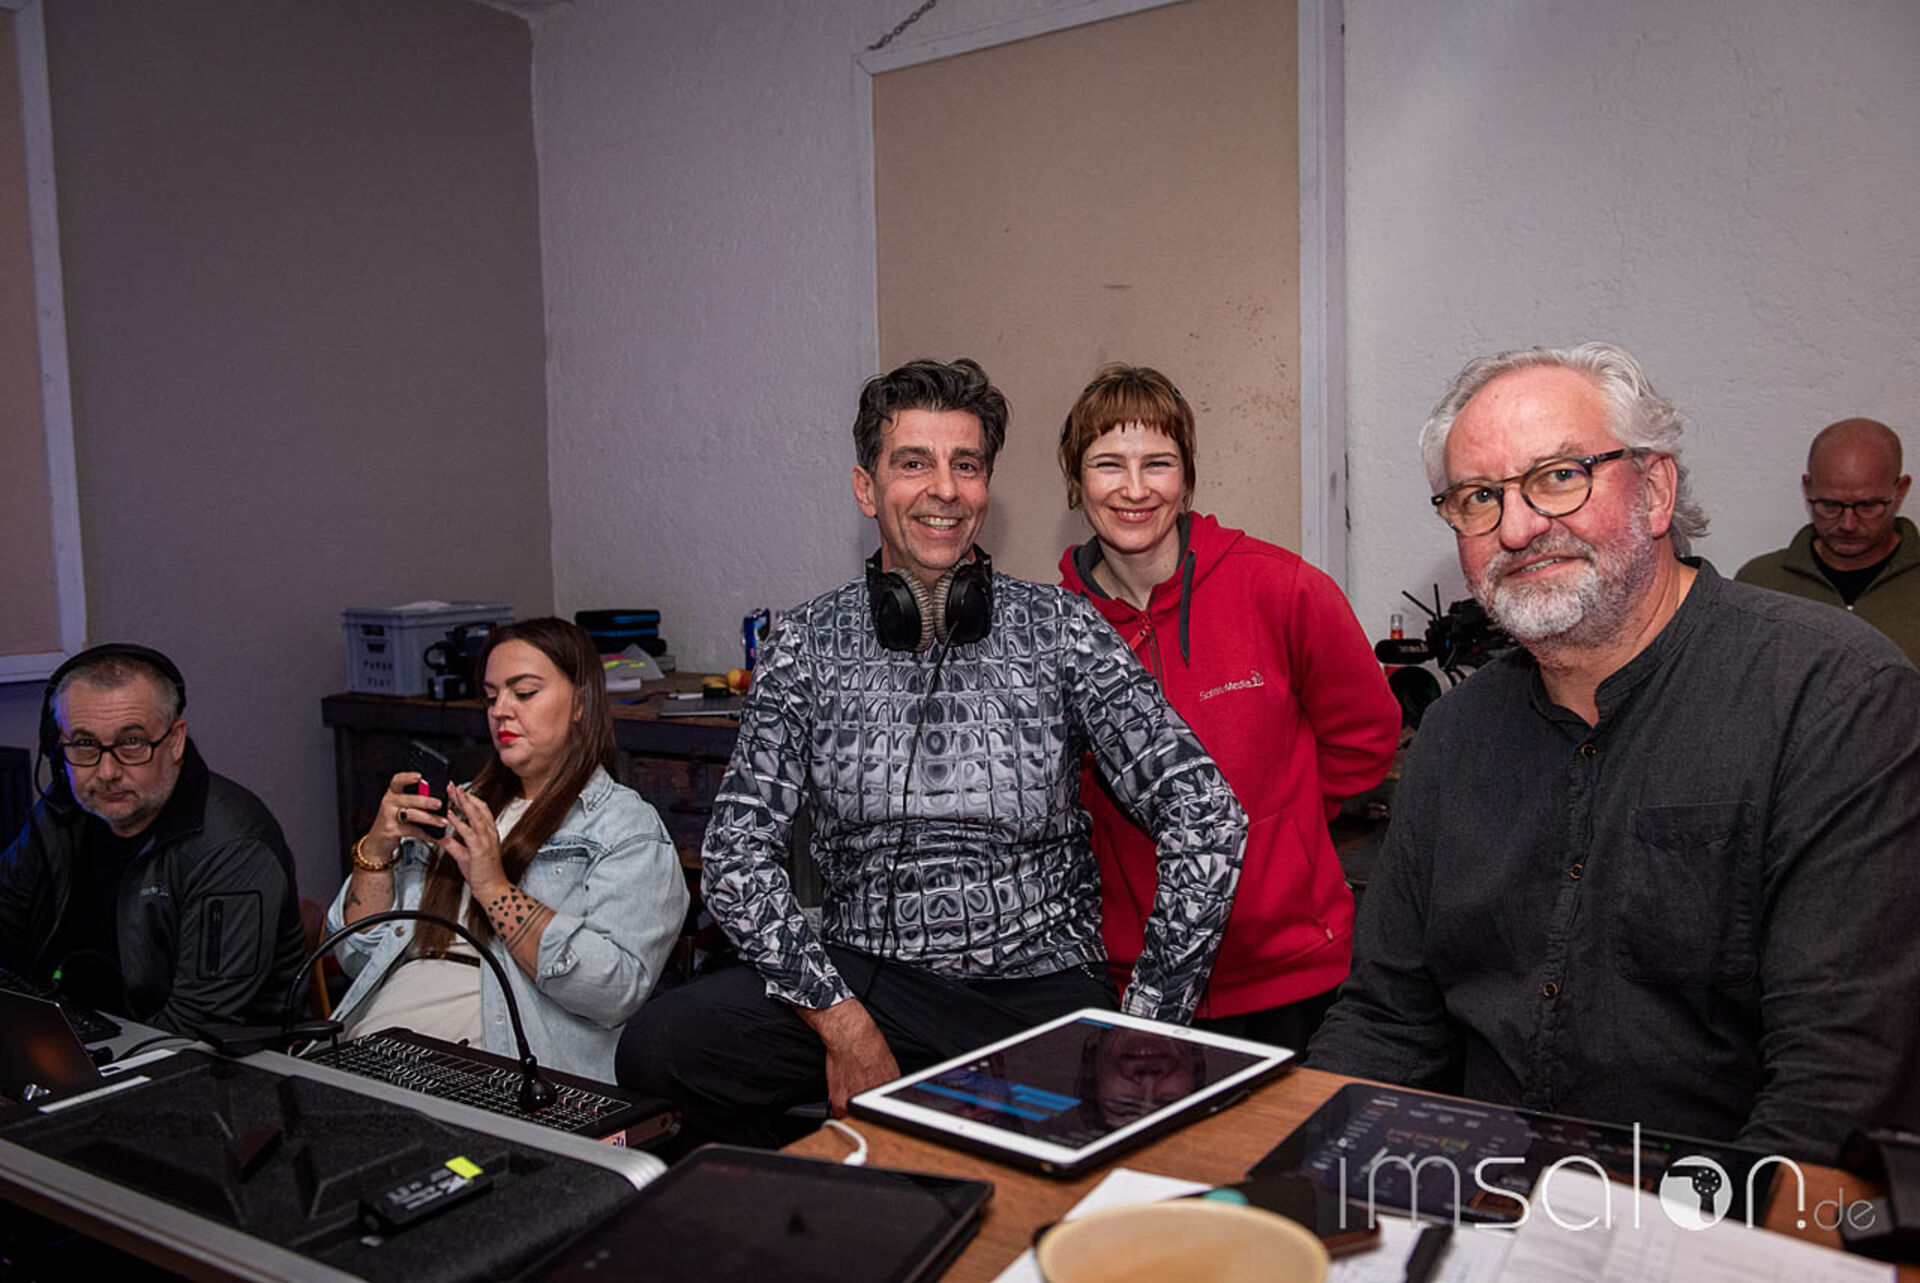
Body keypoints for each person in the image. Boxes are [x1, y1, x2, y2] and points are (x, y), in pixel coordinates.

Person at [1306, 342, 1920, 1163]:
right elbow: (1387, 1019)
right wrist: (1297, 1178)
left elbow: (1836, 1081)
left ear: (1656, 489)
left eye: (1560, 475)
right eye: (1479, 496)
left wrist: (1691, 1228)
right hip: (1478, 1193)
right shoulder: (1454, 735)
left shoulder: (1832, 694)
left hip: (1715, 1204)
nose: (1518, 527)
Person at [617, 358, 1247, 1147]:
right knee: (662, 1048)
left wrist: (1148, 1025)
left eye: (967, 465)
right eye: (914, 462)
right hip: (863, 978)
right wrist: (842, 1023)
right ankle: (819, 1198)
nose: (944, 489)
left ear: (986, 487)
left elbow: (1207, 814)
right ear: (866, 487)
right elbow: (736, 857)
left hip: (1036, 985)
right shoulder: (806, 643)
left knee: (1048, 1162)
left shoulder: (1060, 629)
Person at [1056, 364, 1399, 1050]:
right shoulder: (1057, 629)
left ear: (1187, 477)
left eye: (1158, 462)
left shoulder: (1282, 588)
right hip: (1136, 984)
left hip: (1291, 974)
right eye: (1108, 464)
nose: (1134, 488)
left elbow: (1366, 734)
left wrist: (1278, 831)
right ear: (1075, 481)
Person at [327, 617, 687, 1082]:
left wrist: (493, 887)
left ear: (580, 703)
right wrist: (377, 849)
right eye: (491, 696)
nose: (500, 711)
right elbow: (356, 956)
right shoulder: (459, 806)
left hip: (494, 1059)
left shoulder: (624, 828)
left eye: (524, 692)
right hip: (376, 1033)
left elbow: (613, 991)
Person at [0, 644, 304, 1036]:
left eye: (131, 742)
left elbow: (194, 1031)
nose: (106, 772)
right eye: (85, 744)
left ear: (175, 741)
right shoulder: (61, 813)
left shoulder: (233, 846)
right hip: (71, 1040)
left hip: (198, 1062)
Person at [1735, 417, 1919, 664]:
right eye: (1830, 505)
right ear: (1808, 488)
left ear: (1900, 490)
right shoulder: (1760, 583)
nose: (1848, 524)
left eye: (1867, 506)